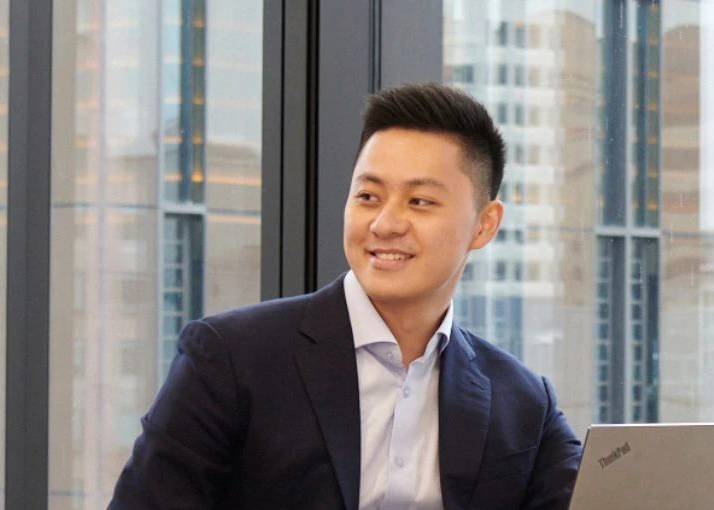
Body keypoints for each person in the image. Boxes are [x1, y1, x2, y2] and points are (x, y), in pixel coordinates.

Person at [111, 83, 581, 509]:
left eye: (419, 202)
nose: (384, 224)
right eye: (368, 197)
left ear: (485, 224)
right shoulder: (231, 359)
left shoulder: (522, 401)